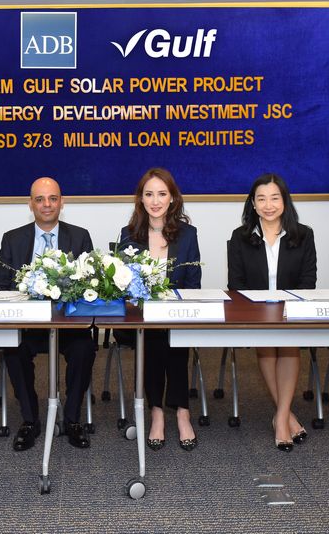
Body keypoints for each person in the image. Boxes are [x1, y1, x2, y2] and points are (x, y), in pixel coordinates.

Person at [0, 177, 96, 451]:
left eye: (52, 198)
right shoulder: (12, 239)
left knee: (85, 347)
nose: (46, 205)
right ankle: (30, 420)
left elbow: (91, 286)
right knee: (14, 348)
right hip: (28, 324)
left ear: (62, 202)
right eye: (39, 199)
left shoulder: (80, 236)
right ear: (30, 204)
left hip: (69, 324)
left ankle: (71, 419)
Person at [227, 173, 316, 452]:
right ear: (253, 204)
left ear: (284, 201)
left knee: (288, 346)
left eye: (274, 198)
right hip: (256, 311)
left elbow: (308, 280)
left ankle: (280, 416)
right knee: (267, 345)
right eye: (261, 199)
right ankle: (286, 416)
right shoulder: (240, 237)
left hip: (291, 309)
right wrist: (259, 309)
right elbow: (236, 285)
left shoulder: (303, 234)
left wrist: (289, 308)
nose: (268, 205)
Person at [118, 167, 202, 451]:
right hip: (140, 319)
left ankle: (181, 411)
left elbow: (193, 283)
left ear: (172, 198)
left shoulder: (188, 235)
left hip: (177, 315)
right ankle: (156, 410)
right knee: (153, 336)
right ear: (140, 199)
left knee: (174, 336)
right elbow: (122, 284)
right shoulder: (128, 236)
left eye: (162, 194)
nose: (155, 201)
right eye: (149, 194)